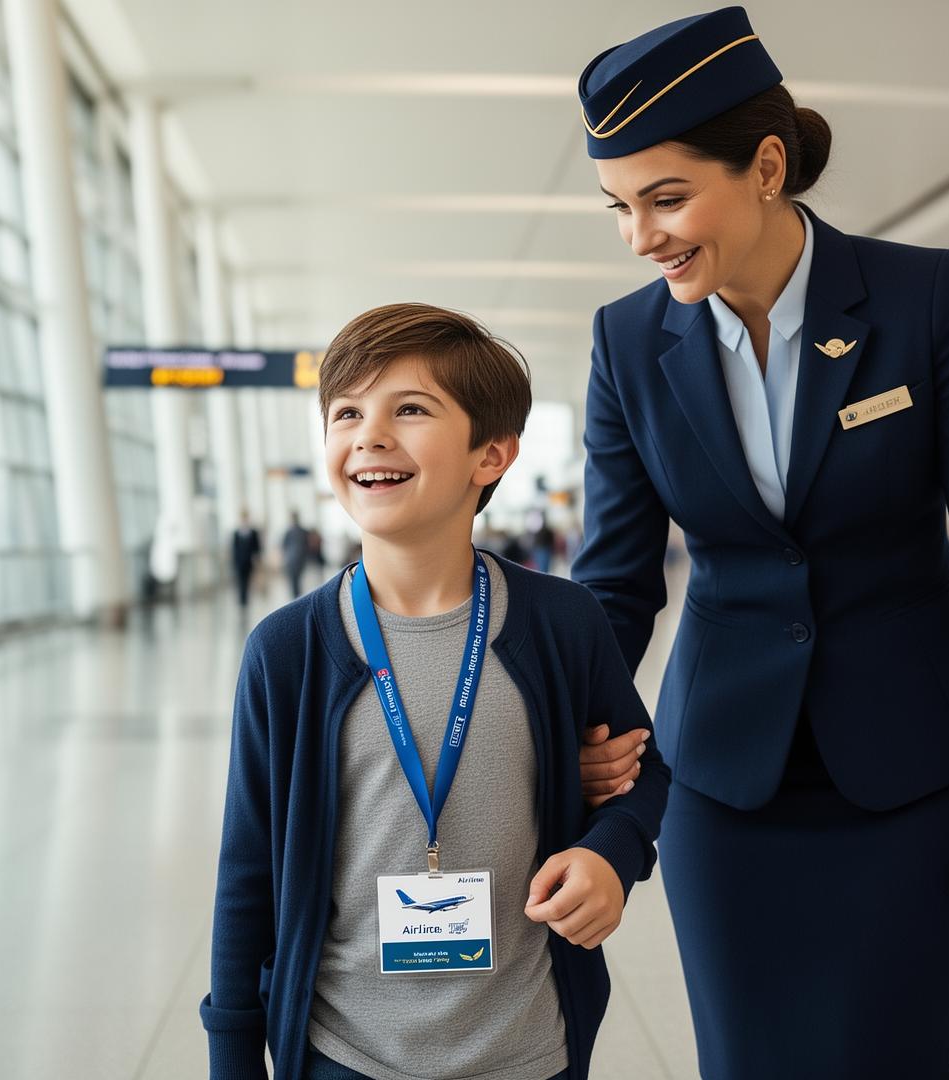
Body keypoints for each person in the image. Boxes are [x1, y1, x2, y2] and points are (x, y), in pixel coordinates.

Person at [565, 9, 949, 1076]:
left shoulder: (920, 298)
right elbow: (616, 580)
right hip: (723, 778)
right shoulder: (628, 341)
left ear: (767, 167)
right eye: (620, 207)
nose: (641, 236)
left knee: (896, 1054)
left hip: (912, 768)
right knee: (747, 1055)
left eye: (667, 198)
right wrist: (564, 729)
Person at [200, 303, 670, 1080]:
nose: (370, 434)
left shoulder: (561, 623)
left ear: (491, 454)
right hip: (345, 1053)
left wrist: (611, 855)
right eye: (347, 411)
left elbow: (641, 769)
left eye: (410, 410)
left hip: (525, 1048)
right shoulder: (287, 652)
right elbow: (247, 873)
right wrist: (232, 1058)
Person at [230, 510, 262, 609]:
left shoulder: (253, 532)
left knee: (247, 580)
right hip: (239, 561)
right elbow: (234, 549)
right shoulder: (236, 533)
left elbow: (257, 547)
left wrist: (257, 559)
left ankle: (245, 599)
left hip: (249, 561)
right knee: (240, 580)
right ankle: (242, 600)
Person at [283, 512, 313, 598]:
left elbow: (284, 546)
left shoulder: (289, 532)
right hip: (299, 559)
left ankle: (295, 595)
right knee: (296, 579)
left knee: (294, 579)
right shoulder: (303, 531)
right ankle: (297, 595)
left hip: (293, 559)